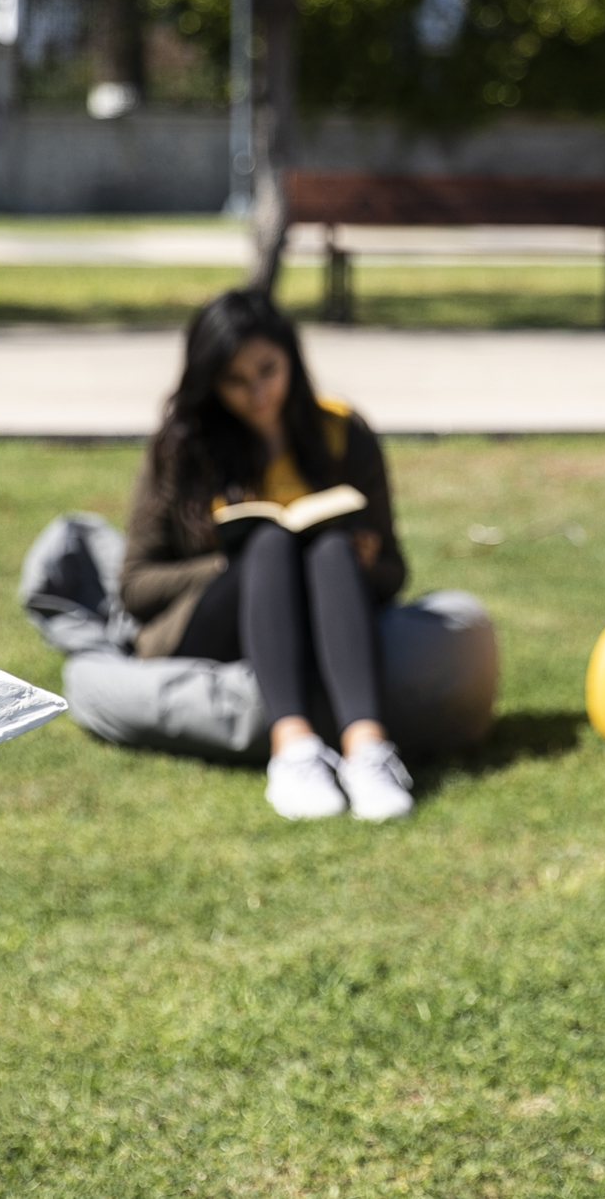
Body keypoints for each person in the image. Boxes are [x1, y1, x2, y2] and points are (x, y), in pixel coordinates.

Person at [121, 289, 417, 821]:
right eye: (236, 380)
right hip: (209, 618)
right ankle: (295, 749)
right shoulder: (181, 446)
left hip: (324, 600)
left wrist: (367, 561)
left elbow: (396, 571)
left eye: (268, 371)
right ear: (210, 383)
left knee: (327, 548)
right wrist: (236, 564)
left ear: (292, 360)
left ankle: (368, 751)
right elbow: (136, 586)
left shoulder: (343, 432)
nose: (257, 393)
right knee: (272, 543)